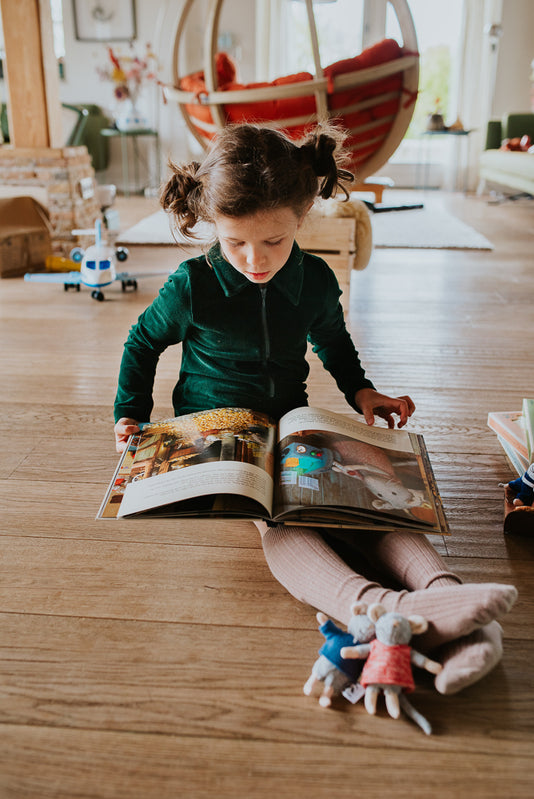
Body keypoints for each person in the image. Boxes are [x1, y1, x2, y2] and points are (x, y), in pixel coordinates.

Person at [114, 123, 517, 696]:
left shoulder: (315, 281)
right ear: (215, 226)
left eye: (274, 241)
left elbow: (333, 340)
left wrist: (362, 392)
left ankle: (443, 595)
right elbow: (141, 343)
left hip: (291, 421)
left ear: (301, 218)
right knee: (276, 517)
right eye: (237, 244)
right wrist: (129, 413)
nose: (256, 259)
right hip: (213, 432)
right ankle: (374, 608)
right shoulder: (192, 285)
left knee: (364, 501)